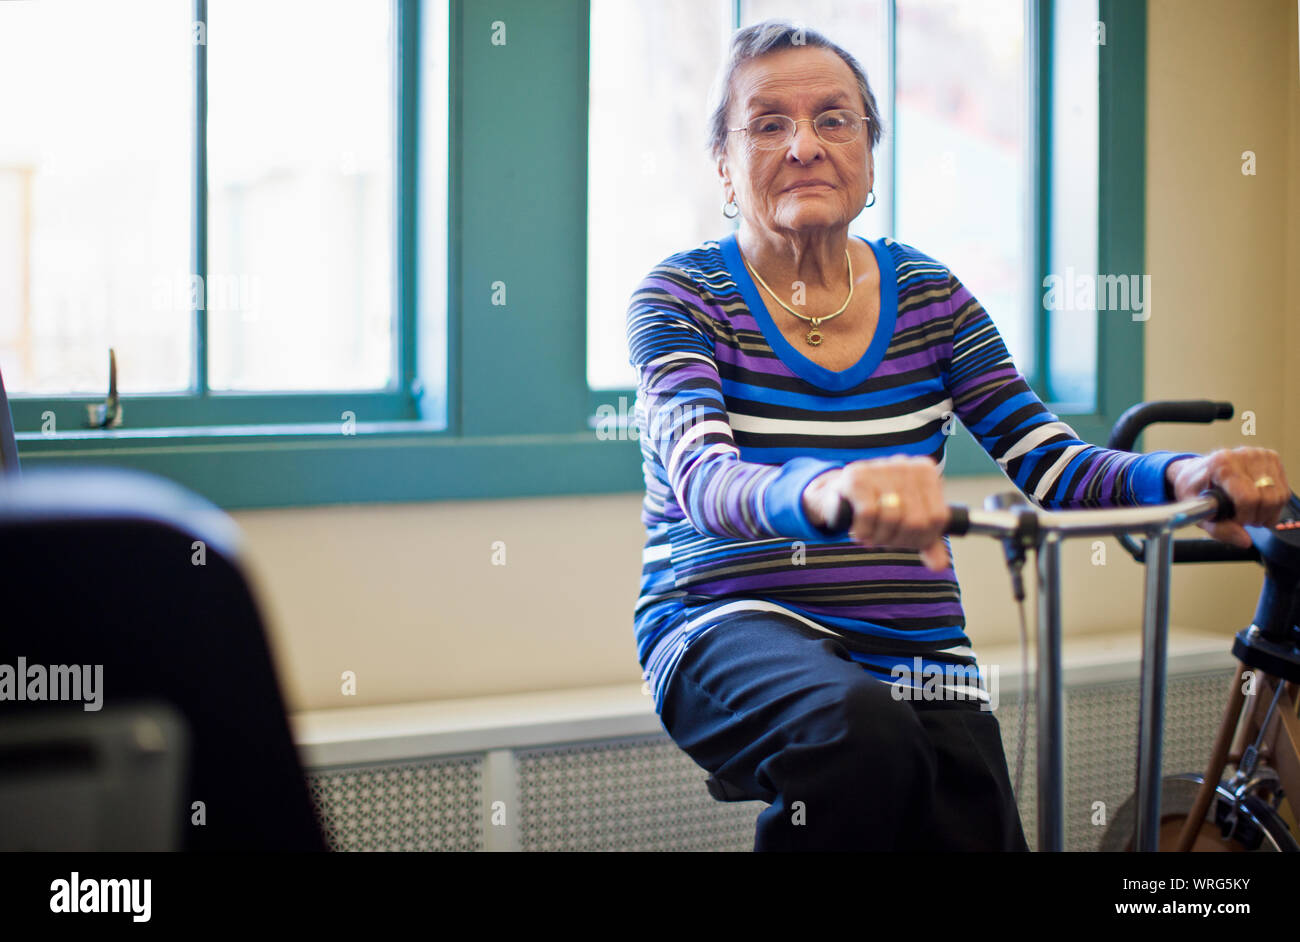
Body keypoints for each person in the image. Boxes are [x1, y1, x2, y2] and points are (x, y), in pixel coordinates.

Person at [625, 19, 1291, 852]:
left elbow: (1048, 461)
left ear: (870, 153)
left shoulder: (930, 296)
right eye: (767, 124)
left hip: (913, 641)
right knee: (857, 734)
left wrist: (1184, 475)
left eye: (834, 119)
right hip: (721, 620)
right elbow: (703, 480)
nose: (805, 145)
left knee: (976, 825)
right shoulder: (680, 297)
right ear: (724, 164)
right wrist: (830, 491)